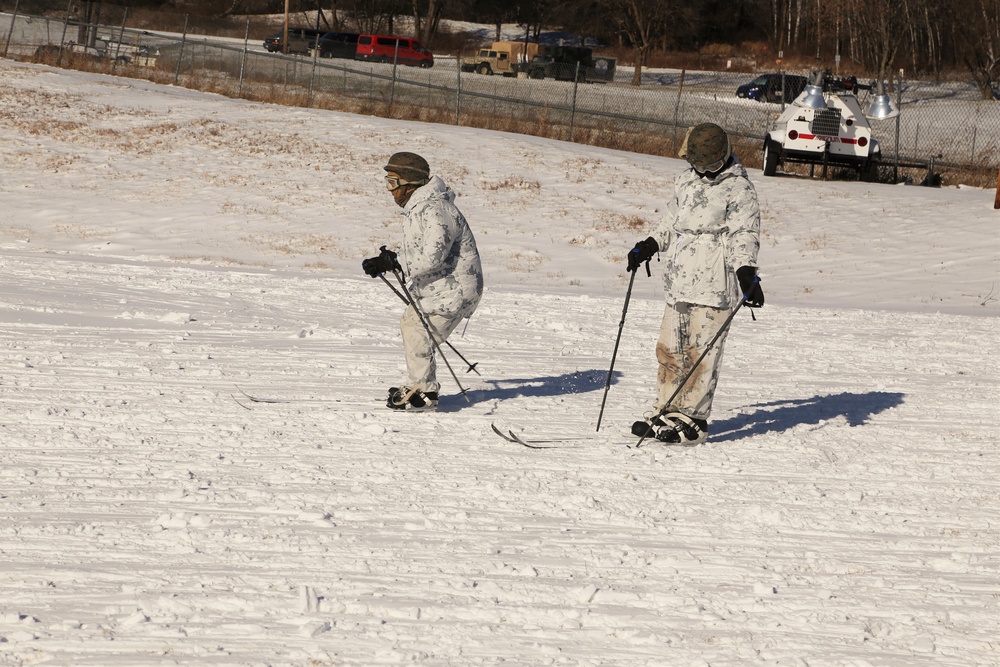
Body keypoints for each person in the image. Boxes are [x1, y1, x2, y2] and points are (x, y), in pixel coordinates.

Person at [627, 123, 764, 444]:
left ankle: (693, 418)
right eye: (697, 165)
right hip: (680, 279)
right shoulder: (686, 180)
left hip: (715, 281)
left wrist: (746, 270)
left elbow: (744, 233)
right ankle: (666, 409)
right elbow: (670, 221)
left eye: (708, 165)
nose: (701, 171)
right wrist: (650, 244)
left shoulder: (739, 189)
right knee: (670, 350)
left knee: (701, 353)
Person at [362, 152, 484, 412]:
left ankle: (424, 392)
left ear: (410, 184)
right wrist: (391, 258)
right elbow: (423, 249)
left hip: (454, 289)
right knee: (412, 324)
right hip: (440, 287)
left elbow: (432, 256)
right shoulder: (421, 208)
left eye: (392, 183)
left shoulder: (436, 210)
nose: (389, 191)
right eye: (387, 182)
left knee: (419, 330)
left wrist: (396, 262)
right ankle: (419, 384)